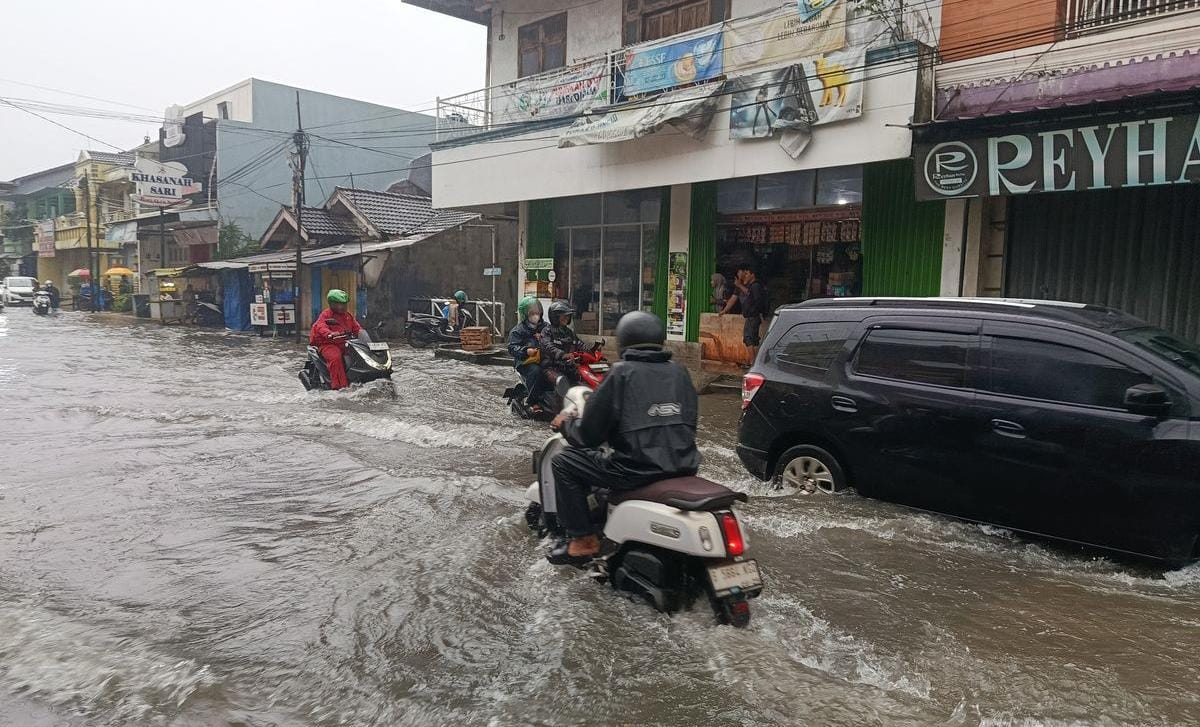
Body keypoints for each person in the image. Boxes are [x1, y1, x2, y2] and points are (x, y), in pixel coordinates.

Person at [548, 311, 700, 562]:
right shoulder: (681, 373)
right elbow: (690, 423)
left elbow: (588, 436)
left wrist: (567, 425)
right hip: (684, 466)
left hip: (635, 471)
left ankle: (583, 540)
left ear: (623, 341)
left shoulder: (620, 373)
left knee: (564, 462)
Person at [309, 289, 362, 390]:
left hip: (345, 343)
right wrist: (330, 334)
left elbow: (357, 329)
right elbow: (321, 326)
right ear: (331, 304)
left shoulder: (348, 316)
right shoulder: (326, 315)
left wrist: (365, 335)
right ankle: (339, 387)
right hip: (328, 344)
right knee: (335, 357)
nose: (342, 307)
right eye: (338, 304)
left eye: (344, 304)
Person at [506, 296, 549, 411]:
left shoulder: (546, 328)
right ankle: (533, 402)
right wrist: (526, 351)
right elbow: (511, 347)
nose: (536, 315)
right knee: (536, 371)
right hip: (525, 362)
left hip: (545, 359)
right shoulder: (518, 331)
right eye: (532, 313)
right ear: (525, 314)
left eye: (537, 312)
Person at [539, 301, 585, 384]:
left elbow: (579, 344)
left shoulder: (569, 332)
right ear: (555, 317)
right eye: (563, 316)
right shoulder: (547, 331)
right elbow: (548, 346)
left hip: (568, 366)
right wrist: (562, 354)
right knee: (561, 382)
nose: (566, 318)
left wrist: (592, 352)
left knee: (583, 379)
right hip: (551, 367)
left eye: (568, 316)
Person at [735, 267, 769, 362]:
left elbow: (758, 302)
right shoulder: (753, 286)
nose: (745, 276)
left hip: (752, 316)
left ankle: (753, 363)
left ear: (752, 274)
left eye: (747, 274)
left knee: (748, 338)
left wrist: (753, 312)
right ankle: (753, 362)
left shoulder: (755, 286)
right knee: (752, 339)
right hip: (752, 316)